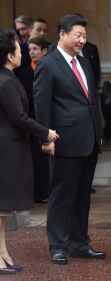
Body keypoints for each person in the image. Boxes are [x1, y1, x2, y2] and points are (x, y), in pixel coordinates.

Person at [33, 14, 105, 265]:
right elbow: (41, 105)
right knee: (62, 194)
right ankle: (58, 245)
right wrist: (45, 137)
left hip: (89, 140)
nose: (82, 40)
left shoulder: (83, 64)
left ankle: (79, 243)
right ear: (62, 34)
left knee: (82, 194)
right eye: (78, 35)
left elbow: (90, 101)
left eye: (85, 36)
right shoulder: (48, 64)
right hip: (64, 140)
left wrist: (99, 132)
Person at [0, 29, 59, 275]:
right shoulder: (5, 81)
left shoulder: (7, 77)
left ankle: (3, 253)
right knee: (1, 207)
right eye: (18, 48)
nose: (22, 52)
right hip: (6, 148)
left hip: (9, 146)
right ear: (9, 55)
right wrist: (45, 132)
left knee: (2, 210)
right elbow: (19, 117)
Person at [18, 37, 50, 203]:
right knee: (35, 158)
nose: (31, 52)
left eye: (35, 49)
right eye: (30, 49)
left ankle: (47, 190)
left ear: (45, 51)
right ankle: (38, 192)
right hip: (31, 121)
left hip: (49, 122)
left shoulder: (51, 70)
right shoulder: (23, 74)